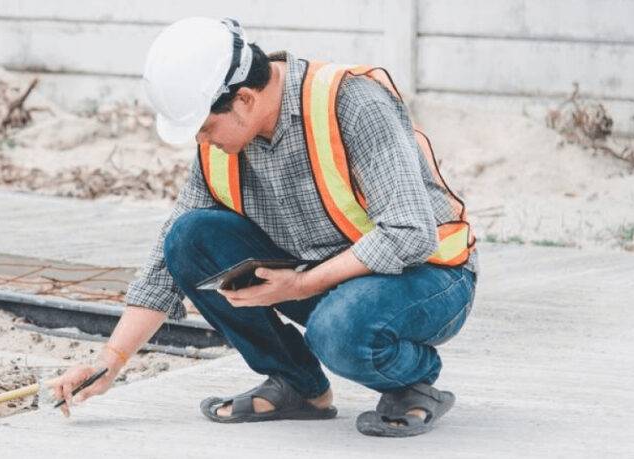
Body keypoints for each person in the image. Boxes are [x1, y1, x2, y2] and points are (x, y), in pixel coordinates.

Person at [49, 16, 478, 438]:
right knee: (189, 238)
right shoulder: (223, 143)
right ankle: (298, 387)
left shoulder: (352, 104)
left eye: (204, 127)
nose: (202, 141)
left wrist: (302, 285)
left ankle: (411, 382)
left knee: (340, 329)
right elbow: (168, 255)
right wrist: (112, 358)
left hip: (427, 277)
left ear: (245, 99)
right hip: (324, 279)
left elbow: (410, 233)